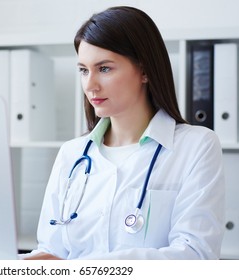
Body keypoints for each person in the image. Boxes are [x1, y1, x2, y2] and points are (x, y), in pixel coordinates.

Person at [23, 6, 225, 260]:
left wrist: (80, 268)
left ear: (144, 70)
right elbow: (52, 251)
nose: (90, 85)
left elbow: (196, 256)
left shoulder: (196, 145)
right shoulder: (72, 154)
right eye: (84, 70)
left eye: (104, 68)